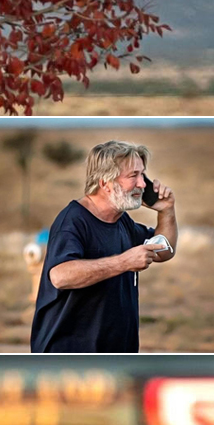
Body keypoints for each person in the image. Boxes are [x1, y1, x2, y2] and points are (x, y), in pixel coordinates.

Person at [30, 140, 177, 353]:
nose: (143, 184)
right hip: (70, 355)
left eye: (142, 175)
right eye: (132, 176)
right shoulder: (72, 221)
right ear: (105, 182)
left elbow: (164, 251)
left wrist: (166, 211)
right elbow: (61, 276)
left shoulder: (121, 221)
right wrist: (124, 262)